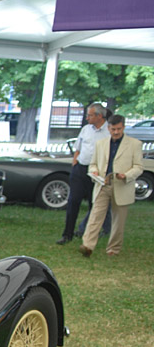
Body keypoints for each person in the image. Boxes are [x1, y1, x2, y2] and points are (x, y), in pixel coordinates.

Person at [79, 114, 143, 257]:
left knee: (118, 220)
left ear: (123, 127)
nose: (116, 132)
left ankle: (113, 249)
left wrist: (126, 175)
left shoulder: (135, 144)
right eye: (113, 129)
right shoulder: (100, 144)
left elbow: (138, 167)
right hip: (103, 184)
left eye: (119, 129)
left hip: (121, 184)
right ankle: (87, 246)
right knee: (95, 216)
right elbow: (93, 164)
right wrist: (94, 172)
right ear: (108, 128)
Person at [58, 103, 109, 244]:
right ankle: (67, 234)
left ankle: (90, 236)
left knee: (95, 205)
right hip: (80, 169)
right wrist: (75, 163)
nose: (87, 118)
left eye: (90, 115)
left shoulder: (109, 131)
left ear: (99, 116)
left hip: (97, 173)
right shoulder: (86, 129)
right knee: (73, 202)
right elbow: (78, 148)